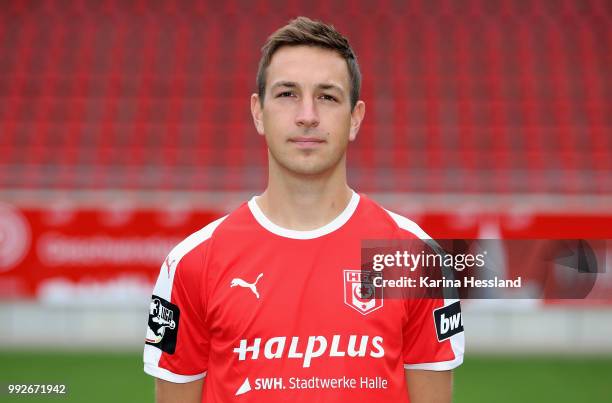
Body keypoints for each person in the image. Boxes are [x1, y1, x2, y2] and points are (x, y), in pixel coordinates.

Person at [143, 16, 464, 403]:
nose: (307, 115)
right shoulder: (194, 263)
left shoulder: (413, 257)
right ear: (258, 112)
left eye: (327, 96)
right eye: (287, 94)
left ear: (355, 118)